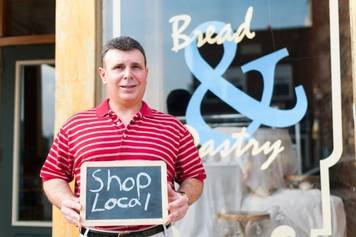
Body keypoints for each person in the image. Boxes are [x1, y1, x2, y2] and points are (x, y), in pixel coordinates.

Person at [40, 36, 206, 237]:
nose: (128, 75)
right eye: (118, 67)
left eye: (136, 67)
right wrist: (65, 201)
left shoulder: (172, 127)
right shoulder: (75, 126)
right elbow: (52, 175)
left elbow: (194, 176)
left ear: (146, 73)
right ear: (103, 75)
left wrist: (184, 198)